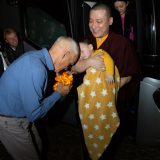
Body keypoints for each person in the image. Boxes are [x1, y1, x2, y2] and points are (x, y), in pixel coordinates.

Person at [72, 3, 141, 160]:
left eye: (99, 21)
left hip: (109, 106)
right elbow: (73, 67)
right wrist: (89, 63)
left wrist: (104, 90)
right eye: (90, 21)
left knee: (105, 150)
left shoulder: (122, 43)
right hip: (87, 106)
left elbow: (130, 75)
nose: (93, 26)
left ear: (110, 21)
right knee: (87, 145)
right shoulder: (86, 42)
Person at [0, 36, 80, 160]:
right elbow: (34, 114)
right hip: (8, 120)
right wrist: (58, 93)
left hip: (21, 112)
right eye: (69, 63)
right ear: (65, 54)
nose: (66, 68)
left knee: (39, 145)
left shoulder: (36, 56)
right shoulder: (36, 69)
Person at [76, 41, 120, 160]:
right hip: (91, 98)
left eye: (82, 51)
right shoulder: (84, 61)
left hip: (103, 96)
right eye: (78, 54)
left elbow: (110, 61)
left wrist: (110, 74)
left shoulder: (100, 53)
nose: (81, 55)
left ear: (91, 47)